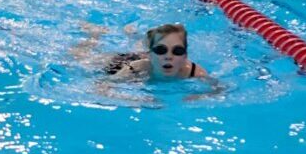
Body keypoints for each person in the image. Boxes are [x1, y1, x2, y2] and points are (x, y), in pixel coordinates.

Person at [73, 23, 221, 105]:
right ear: (150, 54)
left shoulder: (194, 72)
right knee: (79, 60)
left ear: (185, 56)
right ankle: (94, 34)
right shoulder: (134, 69)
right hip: (124, 62)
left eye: (177, 51)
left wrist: (197, 98)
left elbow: (220, 89)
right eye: (161, 50)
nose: (169, 56)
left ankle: (132, 34)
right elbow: (98, 88)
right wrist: (139, 100)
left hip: (148, 58)